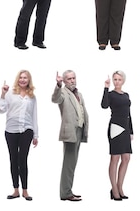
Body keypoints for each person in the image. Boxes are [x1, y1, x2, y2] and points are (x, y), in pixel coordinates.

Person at [0, 70, 38, 201]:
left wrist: (36, 135)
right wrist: (3, 94)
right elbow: (1, 109)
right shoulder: (10, 93)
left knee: (23, 160)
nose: (22, 80)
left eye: (25, 78)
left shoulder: (32, 96)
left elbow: (34, 116)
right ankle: (15, 190)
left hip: (26, 130)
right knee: (13, 159)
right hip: (11, 131)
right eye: (20, 77)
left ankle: (25, 190)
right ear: (17, 79)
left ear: (29, 80)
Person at [51, 70, 89, 202]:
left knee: (72, 163)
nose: (72, 80)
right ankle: (66, 193)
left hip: (79, 130)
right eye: (69, 79)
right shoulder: (62, 92)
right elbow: (55, 99)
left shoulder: (79, 94)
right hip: (70, 132)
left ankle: (68, 191)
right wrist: (58, 85)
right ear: (64, 81)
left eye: (73, 78)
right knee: (69, 163)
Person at [101, 70, 133, 201]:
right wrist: (106, 87)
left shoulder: (126, 95)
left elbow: (129, 113)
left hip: (125, 128)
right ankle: (114, 188)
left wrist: (131, 130)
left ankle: (120, 186)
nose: (117, 82)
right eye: (115, 79)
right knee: (115, 159)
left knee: (126, 158)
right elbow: (104, 105)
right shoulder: (110, 94)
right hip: (115, 128)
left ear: (123, 81)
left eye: (119, 79)